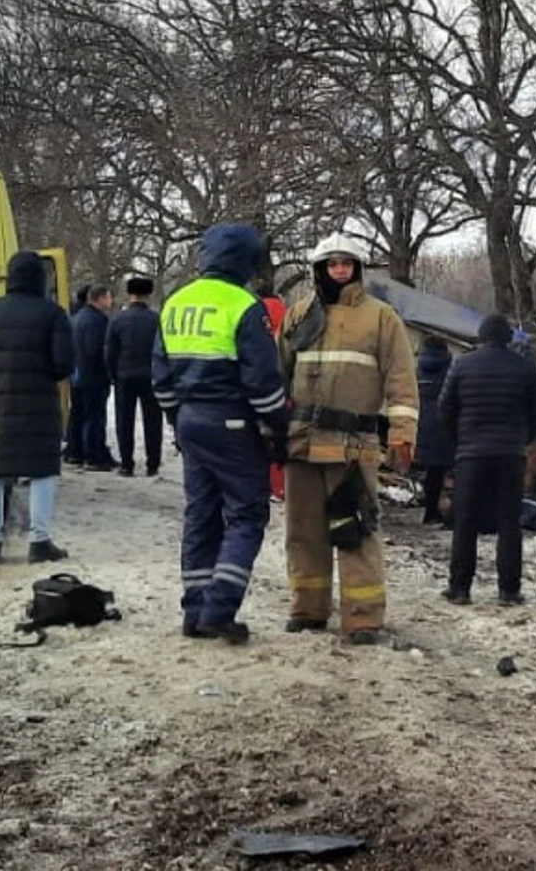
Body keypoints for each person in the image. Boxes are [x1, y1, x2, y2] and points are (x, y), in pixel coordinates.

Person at [278, 235, 419, 646]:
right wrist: (270, 429)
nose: (340, 269)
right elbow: (277, 376)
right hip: (302, 442)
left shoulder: (381, 318)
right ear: (319, 269)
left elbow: (401, 382)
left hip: (353, 445)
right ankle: (308, 609)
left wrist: (402, 434)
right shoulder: (300, 314)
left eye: (346, 263)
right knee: (303, 531)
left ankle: (363, 618)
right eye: (332, 263)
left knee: (356, 529)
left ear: (357, 268)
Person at [153, 224, 290, 644]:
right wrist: (280, 431)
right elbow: (263, 384)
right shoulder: (245, 305)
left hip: (190, 421)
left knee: (201, 514)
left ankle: (195, 609)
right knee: (247, 514)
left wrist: (179, 420)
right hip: (232, 422)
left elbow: (160, 377)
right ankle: (219, 607)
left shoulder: (176, 302)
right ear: (247, 261)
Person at [0, 252, 76, 565]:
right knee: (42, 472)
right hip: (40, 405)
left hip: (1, 403)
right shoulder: (53, 314)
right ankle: (39, 542)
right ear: (41, 278)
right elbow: (64, 363)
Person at [438, 315, 536, 605]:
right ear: (508, 338)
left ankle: (460, 588)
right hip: (510, 455)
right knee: (509, 523)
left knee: (466, 521)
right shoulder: (524, 367)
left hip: (471, 455)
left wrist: (460, 440)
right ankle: (509, 591)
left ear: (482, 336)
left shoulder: (462, 365)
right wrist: (523, 437)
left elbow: (444, 408)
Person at [106, 275, 163, 477]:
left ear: (129, 294)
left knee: (125, 420)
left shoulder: (117, 320)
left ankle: (127, 464)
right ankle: (153, 463)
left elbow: (110, 351)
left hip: (125, 375)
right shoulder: (157, 320)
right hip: (151, 376)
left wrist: (114, 374)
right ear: (149, 295)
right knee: (153, 421)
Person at [70, 284, 116, 471]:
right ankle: (93, 455)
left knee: (79, 414)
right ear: (101, 298)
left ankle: (76, 451)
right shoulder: (98, 321)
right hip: (94, 376)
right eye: (109, 297)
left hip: (77, 374)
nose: (111, 301)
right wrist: (108, 369)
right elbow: (96, 350)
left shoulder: (76, 318)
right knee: (95, 417)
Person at [413, 335, 455, 527]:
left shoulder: (417, 370)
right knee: (444, 472)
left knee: (432, 472)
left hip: (421, 425)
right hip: (445, 426)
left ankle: (430, 511)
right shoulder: (450, 370)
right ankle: (445, 512)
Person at [258, 285, 289, 503]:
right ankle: (279, 488)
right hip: (284, 383)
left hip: (257, 382)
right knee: (279, 435)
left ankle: (262, 485)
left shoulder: (254, 310)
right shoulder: (287, 313)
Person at [63, 282, 91, 465]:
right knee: (89, 413)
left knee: (76, 412)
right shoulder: (91, 318)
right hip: (86, 372)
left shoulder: (72, 316)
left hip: (75, 371)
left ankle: (73, 448)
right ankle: (85, 450)